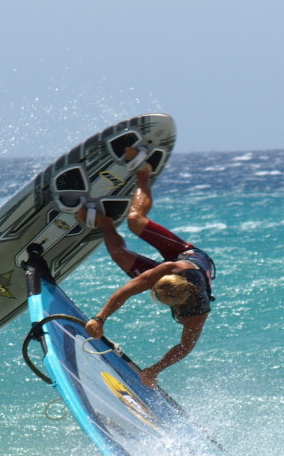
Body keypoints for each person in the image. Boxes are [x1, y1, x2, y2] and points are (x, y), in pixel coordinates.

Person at [83, 147, 215, 388]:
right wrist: (99, 318)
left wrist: (155, 370)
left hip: (191, 278)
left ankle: (105, 223)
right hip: (187, 255)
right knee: (135, 221)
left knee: (117, 253)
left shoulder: (197, 313)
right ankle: (143, 173)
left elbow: (185, 347)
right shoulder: (170, 268)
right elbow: (128, 290)